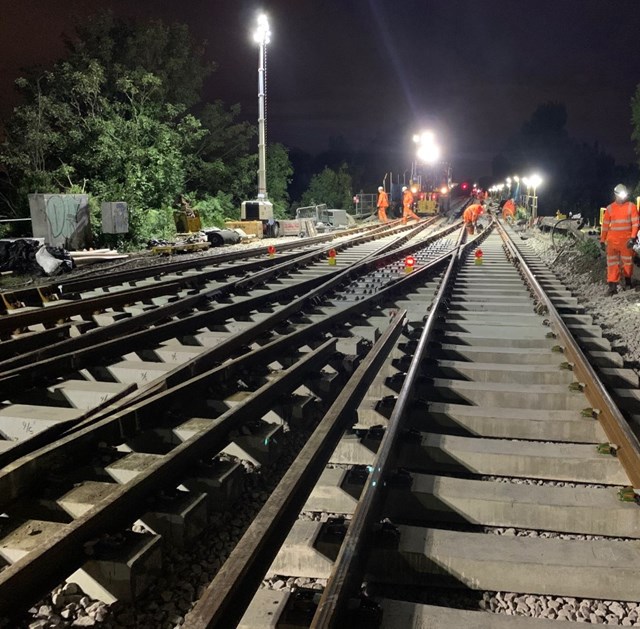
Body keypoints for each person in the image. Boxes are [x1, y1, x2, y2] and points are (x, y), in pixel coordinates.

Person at [600, 183, 639, 295]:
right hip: (612, 242)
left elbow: (635, 223)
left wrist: (632, 238)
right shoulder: (610, 208)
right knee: (612, 264)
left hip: (626, 241)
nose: (623, 198)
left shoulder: (631, 207)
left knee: (627, 263)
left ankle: (627, 282)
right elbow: (605, 226)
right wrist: (602, 240)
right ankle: (612, 287)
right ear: (616, 195)